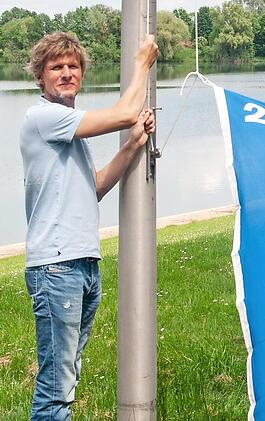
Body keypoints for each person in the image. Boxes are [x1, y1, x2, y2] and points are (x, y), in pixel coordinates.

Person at [20, 32, 158, 419]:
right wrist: (141, 64)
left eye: (72, 66)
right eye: (55, 67)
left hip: (82, 265)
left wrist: (131, 146)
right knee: (55, 387)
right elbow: (125, 112)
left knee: (66, 378)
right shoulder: (43, 118)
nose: (66, 73)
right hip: (57, 267)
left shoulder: (69, 130)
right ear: (40, 77)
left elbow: (93, 187)